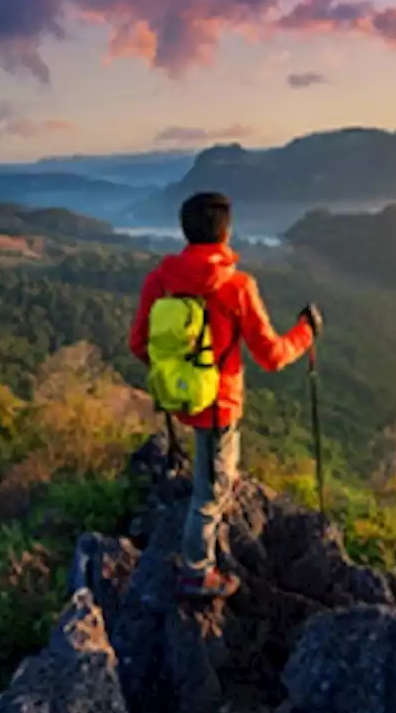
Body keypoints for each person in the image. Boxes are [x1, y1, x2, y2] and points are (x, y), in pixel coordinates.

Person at [129, 191, 323, 599]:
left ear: (186, 231)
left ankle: (220, 486)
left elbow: (139, 344)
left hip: (182, 400)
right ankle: (196, 572)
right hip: (220, 404)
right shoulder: (237, 286)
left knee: (213, 467)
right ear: (226, 232)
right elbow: (270, 356)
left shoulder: (161, 280)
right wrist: (305, 333)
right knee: (209, 493)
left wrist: (177, 376)